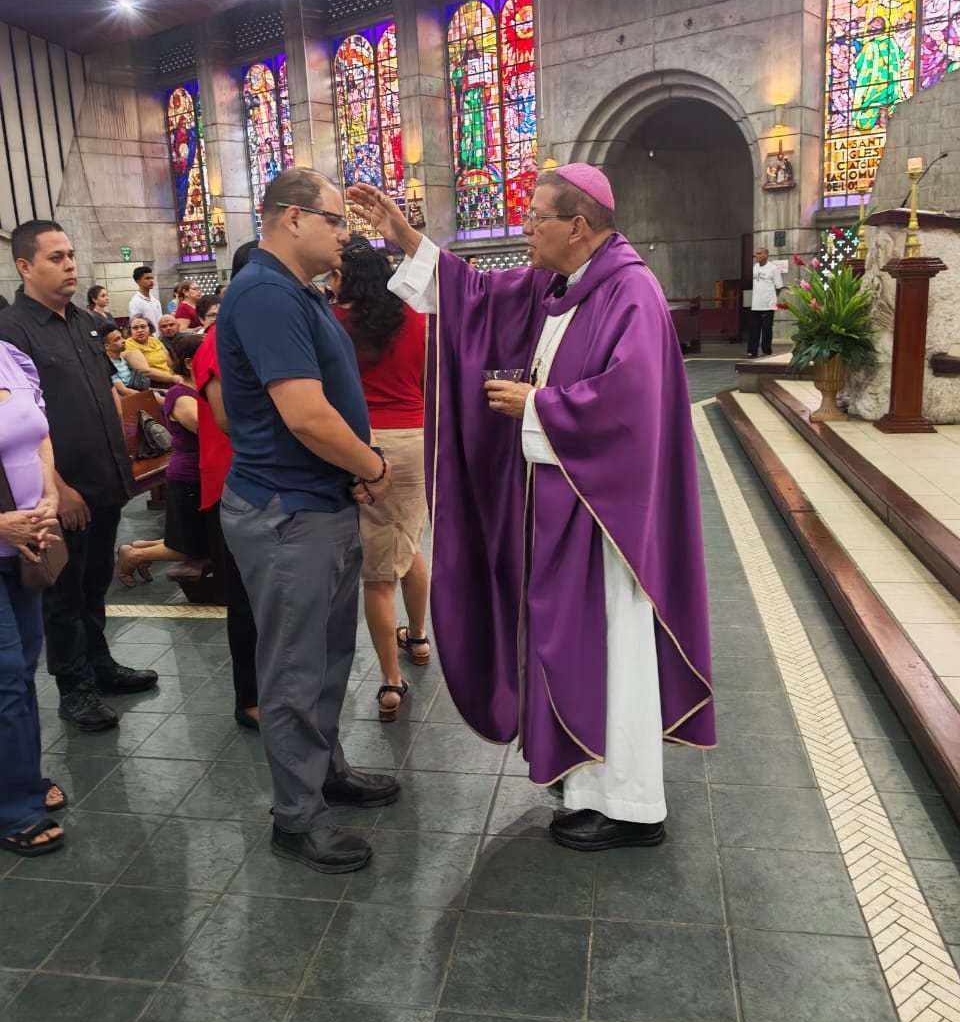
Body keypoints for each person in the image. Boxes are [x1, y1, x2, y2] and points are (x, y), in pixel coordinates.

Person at [347, 164, 714, 852]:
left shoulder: (631, 291)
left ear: (578, 226)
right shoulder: (560, 285)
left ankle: (633, 808)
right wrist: (405, 237)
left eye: (537, 215)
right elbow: (476, 297)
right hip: (560, 512)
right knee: (567, 650)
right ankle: (585, 788)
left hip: (608, 527)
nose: (525, 226)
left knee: (612, 654)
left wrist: (540, 405)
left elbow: (633, 404)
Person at [217, 167, 400, 875]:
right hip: (286, 513)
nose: (344, 232)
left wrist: (354, 466)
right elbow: (305, 414)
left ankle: (324, 772)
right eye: (335, 219)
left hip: (317, 503)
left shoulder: (299, 291)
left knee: (326, 657)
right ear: (292, 217)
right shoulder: (264, 292)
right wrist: (373, 469)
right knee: (293, 670)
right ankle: (296, 817)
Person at [0, 221, 157, 732]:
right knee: (63, 592)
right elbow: (27, 425)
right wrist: (59, 488)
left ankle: (100, 664)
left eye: (71, 255)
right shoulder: (14, 331)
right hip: (59, 491)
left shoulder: (88, 322)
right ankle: (74, 686)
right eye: (55, 258)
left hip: (105, 477)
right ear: (25, 266)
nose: (69, 265)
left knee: (95, 584)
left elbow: (102, 395)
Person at [330, 238, 430, 722]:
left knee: (377, 573)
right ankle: (417, 636)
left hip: (365, 444)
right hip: (416, 439)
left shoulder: (335, 324)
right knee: (408, 545)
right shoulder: (416, 318)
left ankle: (390, 681)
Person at [0, 340, 69, 857]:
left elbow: (38, 434)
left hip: (28, 542)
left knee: (23, 669)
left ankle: (20, 774)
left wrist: (48, 493)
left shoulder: (9, 356)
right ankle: (15, 804)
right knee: (5, 674)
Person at [192, 241, 260, 730]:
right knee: (245, 601)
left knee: (267, 601)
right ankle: (250, 699)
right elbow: (227, 417)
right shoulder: (218, 338)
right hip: (233, 483)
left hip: (259, 479)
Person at [115, 334, 209, 586]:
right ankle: (135, 555)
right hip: (190, 477)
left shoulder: (201, 388)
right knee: (191, 547)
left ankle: (138, 547)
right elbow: (208, 429)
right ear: (190, 362)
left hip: (202, 473)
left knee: (196, 536)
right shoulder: (181, 396)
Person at [125, 316, 182, 389]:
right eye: (135, 328)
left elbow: (170, 364)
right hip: (152, 383)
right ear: (130, 331)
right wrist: (174, 379)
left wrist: (177, 376)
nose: (140, 330)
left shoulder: (155, 341)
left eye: (143, 327)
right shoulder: (129, 344)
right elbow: (145, 371)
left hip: (170, 378)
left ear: (149, 328)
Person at [748, 246, 782, 359]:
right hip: (755, 304)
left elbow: (779, 286)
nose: (757, 256)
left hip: (768, 304)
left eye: (760, 253)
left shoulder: (773, 268)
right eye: (756, 253)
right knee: (754, 329)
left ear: (766, 255)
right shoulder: (755, 267)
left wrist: (772, 298)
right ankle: (752, 351)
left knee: (766, 329)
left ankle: (766, 350)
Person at [100, 323, 147, 397]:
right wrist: (150, 396)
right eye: (117, 339)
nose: (123, 341)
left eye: (121, 337)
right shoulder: (108, 365)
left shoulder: (123, 359)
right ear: (107, 346)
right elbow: (123, 391)